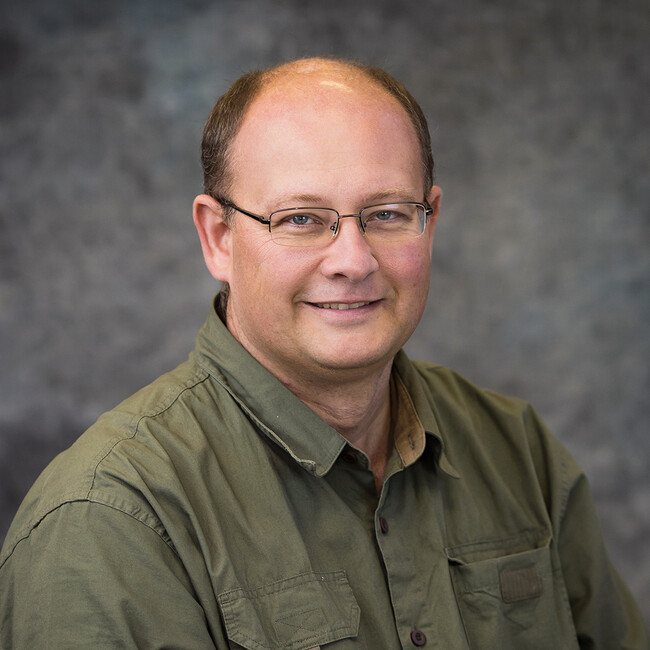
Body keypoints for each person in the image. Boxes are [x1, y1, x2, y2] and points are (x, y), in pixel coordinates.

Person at [0, 57, 647, 649]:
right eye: (301, 220)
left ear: (432, 221)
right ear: (218, 237)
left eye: (388, 213)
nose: (353, 261)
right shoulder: (108, 523)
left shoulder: (520, 454)